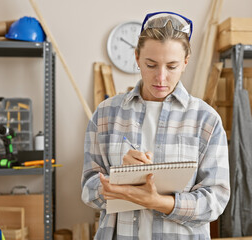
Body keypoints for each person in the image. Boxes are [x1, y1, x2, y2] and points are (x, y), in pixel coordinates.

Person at [82, 11, 230, 239]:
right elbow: (88, 191)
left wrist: (159, 202)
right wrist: (117, 179)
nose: (160, 78)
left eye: (171, 66)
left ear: (185, 63)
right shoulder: (106, 114)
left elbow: (215, 201)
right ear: (137, 58)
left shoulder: (205, 120)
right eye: (151, 64)